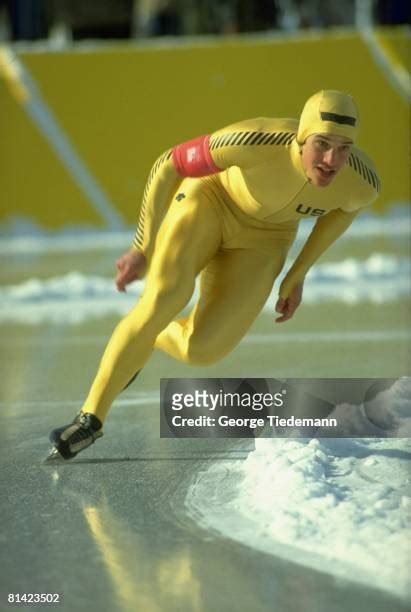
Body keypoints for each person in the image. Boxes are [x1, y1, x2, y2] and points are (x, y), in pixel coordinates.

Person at [47, 89, 380, 460]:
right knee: (164, 298)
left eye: (344, 147)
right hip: (210, 201)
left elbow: (345, 211)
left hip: (266, 240)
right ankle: (90, 419)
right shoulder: (255, 141)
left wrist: (298, 272)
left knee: (202, 350)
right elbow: (168, 164)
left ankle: (146, 338)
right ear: (302, 137)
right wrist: (142, 246)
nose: (332, 159)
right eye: (322, 144)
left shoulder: (361, 181)